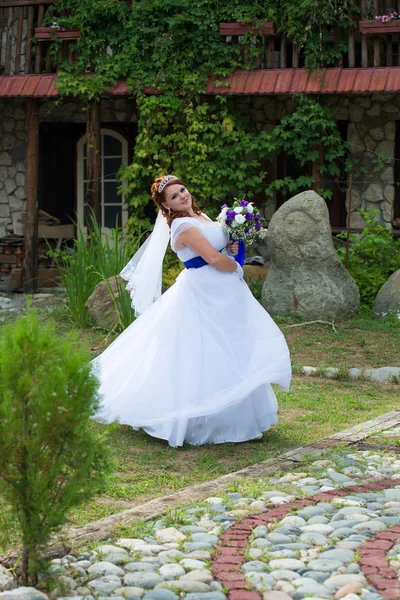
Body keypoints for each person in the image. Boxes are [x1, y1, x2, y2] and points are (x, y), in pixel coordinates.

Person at [92, 174, 291, 447]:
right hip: (204, 290)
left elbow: (219, 247)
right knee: (205, 350)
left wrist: (233, 245)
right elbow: (210, 257)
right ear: (167, 207)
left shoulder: (202, 216)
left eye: (182, 190)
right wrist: (237, 267)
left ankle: (236, 418)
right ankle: (199, 421)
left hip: (222, 290)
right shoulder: (182, 226)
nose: (182, 196)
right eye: (174, 196)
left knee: (230, 346)